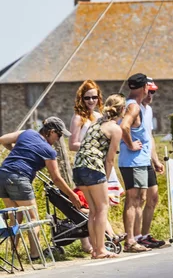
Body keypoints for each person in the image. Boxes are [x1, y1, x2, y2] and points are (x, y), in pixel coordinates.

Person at [0, 117, 82, 259]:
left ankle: (13, 255)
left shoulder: (27, 133)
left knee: (15, 217)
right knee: (33, 218)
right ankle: (35, 254)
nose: (59, 139)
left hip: (3, 174)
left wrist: (17, 151)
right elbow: (56, 178)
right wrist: (72, 195)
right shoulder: (48, 151)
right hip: (19, 178)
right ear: (50, 132)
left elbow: (2, 139)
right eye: (59, 135)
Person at [73, 94, 125, 259]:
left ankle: (96, 249)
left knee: (93, 211)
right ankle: (100, 249)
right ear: (122, 110)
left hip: (79, 167)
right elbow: (109, 159)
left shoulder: (96, 123)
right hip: (94, 168)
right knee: (102, 208)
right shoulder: (116, 129)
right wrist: (106, 179)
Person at [69, 79, 124, 205]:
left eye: (94, 97)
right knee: (97, 206)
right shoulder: (78, 117)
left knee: (104, 204)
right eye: (87, 98)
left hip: (101, 161)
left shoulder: (100, 116)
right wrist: (93, 147)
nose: (91, 101)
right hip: (87, 162)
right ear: (81, 99)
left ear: (99, 98)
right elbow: (72, 145)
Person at [119, 73, 153, 253]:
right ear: (145, 88)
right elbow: (124, 126)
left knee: (138, 198)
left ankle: (134, 238)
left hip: (136, 160)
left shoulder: (130, 104)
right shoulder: (133, 107)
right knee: (133, 199)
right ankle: (130, 240)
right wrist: (131, 144)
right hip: (133, 160)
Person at [135, 78, 165, 249]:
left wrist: (156, 160)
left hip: (147, 158)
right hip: (136, 158)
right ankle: (136, 236)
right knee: (139, 198)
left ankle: (145, 235)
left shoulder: (149, 110)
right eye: (149, 91)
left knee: (153, 197)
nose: (151, 95)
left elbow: (150, 137)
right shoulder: (135, 107)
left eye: (154, 92)